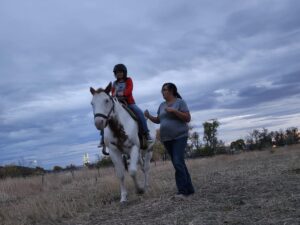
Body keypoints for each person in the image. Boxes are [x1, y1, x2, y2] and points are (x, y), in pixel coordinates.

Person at [144, 82, 194, 198]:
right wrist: (149, 116)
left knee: (177, 162)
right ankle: (189, 189)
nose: (163, 92)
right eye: (162, 90)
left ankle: (182, 191)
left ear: (172, 91)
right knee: (179, 163)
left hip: (180, 136)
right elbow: (158, 120)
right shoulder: (162, 105)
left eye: (165, 90)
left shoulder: (180, 102)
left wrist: (175, 111)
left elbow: (187, 118)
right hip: (166, 138)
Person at [98, 64, 153, 148]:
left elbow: (129, 91)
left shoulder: (128, 80)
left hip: (129, 102)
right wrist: (115, 95)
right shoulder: (114, 83)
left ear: (124, 72)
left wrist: (119, 94)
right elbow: (112, 93)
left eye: (120, 72)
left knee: (139, 113)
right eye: (117, 72)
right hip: (117, 103)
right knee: (106, 115)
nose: (119, 74)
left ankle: (146, 133)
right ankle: (103, 138)